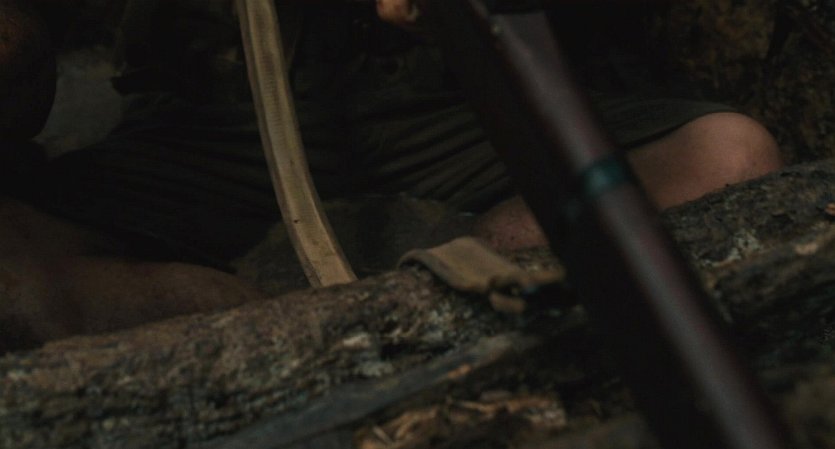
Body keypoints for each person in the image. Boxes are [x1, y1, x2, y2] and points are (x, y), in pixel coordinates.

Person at [0, 0, 783, 351]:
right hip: (208, 117)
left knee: (728, 157)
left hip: (444, 96)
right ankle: (261, 335)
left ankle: (458, 293)